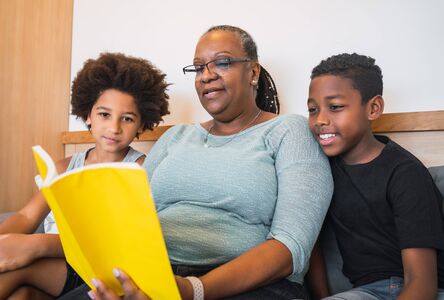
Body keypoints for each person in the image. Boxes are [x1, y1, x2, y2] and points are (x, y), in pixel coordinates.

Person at [83, 25, 333, 300]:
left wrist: (193, 290)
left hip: (250, 287)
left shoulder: (289, 131)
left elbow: (291, 247)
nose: (207, 76)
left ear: (253, 72)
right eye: (199, 68)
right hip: (156, 277)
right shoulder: (176, 136)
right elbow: (131, 217)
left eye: (222, 62)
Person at [0, 52, 170, 299]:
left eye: (127, 118)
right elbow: (27, 215)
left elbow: (113, 242)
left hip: (92, 270)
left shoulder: (140, 172)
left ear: (142, 125)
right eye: (104, 114)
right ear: (88, 115)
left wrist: (32, 246)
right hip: (54, 269)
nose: (114, 127)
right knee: (21, 295)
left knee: (15, 272)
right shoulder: (63, 167)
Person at [306, 53, 444, 299]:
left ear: (373, 108)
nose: (320, 119)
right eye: (313, 109)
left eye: (336, 107)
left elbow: (422, 284)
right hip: (366, 292)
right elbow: (312, 244)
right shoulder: (321, 170)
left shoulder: (405, 173)